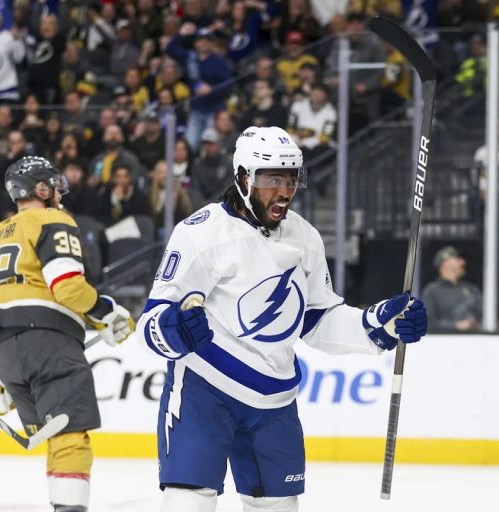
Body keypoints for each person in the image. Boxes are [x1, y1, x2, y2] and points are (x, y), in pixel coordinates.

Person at [136, 125, 428, 512]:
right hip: (204, 393)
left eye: (291, 179)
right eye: (272, 179)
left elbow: (315, 318)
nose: (285, 191)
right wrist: (172, 330)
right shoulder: (201, 234)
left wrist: (375, 325)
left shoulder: (303, 237)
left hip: (275, 402)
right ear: (244, 178)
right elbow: (150, 323)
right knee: (188, 502)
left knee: (278, 506)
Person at [0, 156, 134, 512]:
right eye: (55, 186)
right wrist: (107, 314)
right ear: (42, 188)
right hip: (47, 342)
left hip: (5, 350)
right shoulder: (53, 219)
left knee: (56, 440)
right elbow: (66, 287)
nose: (60, 194)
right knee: (70, 440)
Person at [422, 246, 482, 332]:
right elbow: (427, 323)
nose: (463, 263)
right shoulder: (431, 291)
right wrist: (455, 326)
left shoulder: (471, 290)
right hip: (444, 343)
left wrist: (475, 324)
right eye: (458, 259)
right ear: (445, 263)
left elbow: (485, 316)